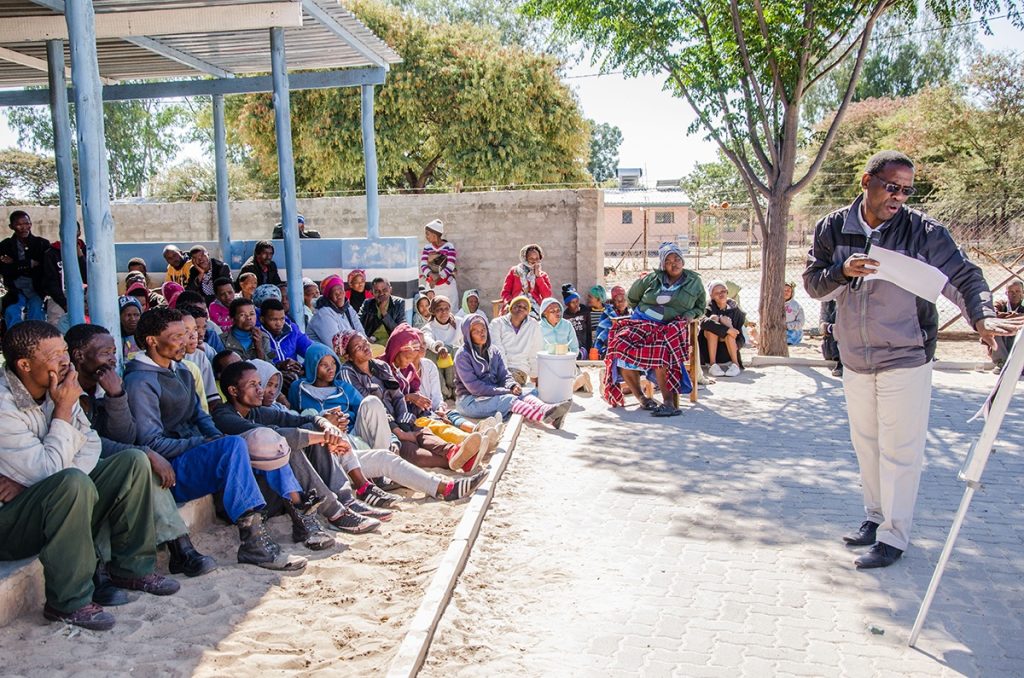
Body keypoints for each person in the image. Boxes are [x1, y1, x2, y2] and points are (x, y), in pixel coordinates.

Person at [803, 149, 1022, 569]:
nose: (899, 197)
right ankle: (875, 518)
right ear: (866, 181)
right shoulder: (832, 227)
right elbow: (813, 284)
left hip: (907, 354)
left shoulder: (924, 232)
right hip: (855, 357)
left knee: (899, 450)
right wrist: (842, 271)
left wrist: (982, 317)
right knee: (866, 445)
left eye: (907, 190)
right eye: (892, 187)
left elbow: (964, 277)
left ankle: (894, 537)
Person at [0, 321, 178, 631]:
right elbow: (49, 472)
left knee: (133, 461)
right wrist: (63, 410)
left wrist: (47, 482)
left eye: (64, 351)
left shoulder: (60, 386)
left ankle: (132, 568)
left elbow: (91, 444)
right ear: (24, 365)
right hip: (10, 526)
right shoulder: (5, 406)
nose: (65, 361)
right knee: (71, 483)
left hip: (50, 499)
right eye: (54, 355)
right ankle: (68, 602)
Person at [123, 307, 307, 571]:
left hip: (193, 453)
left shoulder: (181, 371)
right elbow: (152, 443)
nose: (185, 341)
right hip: (169, 469)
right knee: (233, 445)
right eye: (176, 336)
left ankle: (297, 514)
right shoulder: (140, 382)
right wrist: (206, 443)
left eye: (185, 335)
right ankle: (253, 543)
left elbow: (200, 416)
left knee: (260, 441)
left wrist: (215, 437)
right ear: (152, 341)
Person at [66, 323, 216, 579]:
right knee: (141, 460)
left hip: (107, 462)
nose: (112, 359)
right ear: (79, 356)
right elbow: (85, 443)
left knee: (141, 463)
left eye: (114, 352)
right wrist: (147, 452)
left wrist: (116, 395)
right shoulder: (67, 391)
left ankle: (180, 548)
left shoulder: (108, 385)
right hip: (78, 467)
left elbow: (123, 435)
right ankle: (173, 549)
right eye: (105, 353)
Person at [288, 342, 485, 503]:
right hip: (328, 452)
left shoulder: (343, 387)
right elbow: (297, 421)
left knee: (373, 404)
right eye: (323, 365)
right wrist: (324, 423)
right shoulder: (299, 389)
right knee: (399, 453)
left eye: (332, 363)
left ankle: (446, 483)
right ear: (312, 366)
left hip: (352, 440)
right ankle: (448, 477)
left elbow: (371, 409)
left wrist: (391, 436)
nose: (331, 368)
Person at [214, 360, 389, 533]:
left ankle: (345, 500)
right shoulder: (223, 417)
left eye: (260, 383)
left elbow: (302, 419)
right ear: (233, 391)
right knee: (287, 446)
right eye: (253, 385)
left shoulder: (255, 412)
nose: (260, 389)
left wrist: (327, 426)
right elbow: (276, 436)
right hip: (248, 501)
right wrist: (326, 437)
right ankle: (335, 512)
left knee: (309, 428)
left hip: (279, 492)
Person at [337, 331, 482, 471]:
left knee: (421, 433)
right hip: (378, 427)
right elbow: (369, 404)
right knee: (409, 451)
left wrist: (403, 423)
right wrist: (399, 432)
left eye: (365, 342)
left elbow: (397, 396)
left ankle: (452, 451)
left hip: (397, 419)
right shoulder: (348, 372)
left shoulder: (381, 366)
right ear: (348, 356)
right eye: (358, 347)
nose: (365, 347)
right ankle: (458, 461)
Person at [602, 242, 705, 417]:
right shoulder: (652, 279)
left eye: (677, 259)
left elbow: (700, 308)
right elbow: (632, 298)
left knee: (661, 348)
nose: (673, 264)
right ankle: (642, 398)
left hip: (670, 326)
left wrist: (689, 315)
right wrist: (644, 312)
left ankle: (668, 402)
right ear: (662, 265)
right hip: (642, 322)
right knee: (620, 343)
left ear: (683, 261)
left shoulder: (694, 282)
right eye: (668, 261)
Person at [385, 324, 496, 462]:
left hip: (427, 410)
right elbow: (400, 401)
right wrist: (429, 410)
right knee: (434, 426)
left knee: (448, 414)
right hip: (416, 416)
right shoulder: (394, 368)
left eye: (423, 343)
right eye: (417, 344)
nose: (422, 347)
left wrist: (439, 408)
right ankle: (470, 443)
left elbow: (435, 396)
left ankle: (478, 432)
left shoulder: (426, 366)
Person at [455, 313, 571, 427]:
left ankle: (547, 411)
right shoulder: (463, 356)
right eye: (476, 331)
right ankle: (546, 417)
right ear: (468, 335)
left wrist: (512, 385)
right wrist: (505, 391)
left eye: (483, 329)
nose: (482, 333)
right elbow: (475, 388)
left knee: (530, 392)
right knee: (509, 399)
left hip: (492, 394)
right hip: (470, 401)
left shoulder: (493, 351)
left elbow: (504, 374)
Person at [0, 210, 49, 328]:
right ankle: (16, 338)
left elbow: (44, 267)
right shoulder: (5, 245)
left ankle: (36, 338)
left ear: (31, 224)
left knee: (37, 313)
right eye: (19, 224)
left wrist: (14, 263)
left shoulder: (42, 244)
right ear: (11, 226)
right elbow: (3, 269)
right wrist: (28, 263)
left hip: (37, 289)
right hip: (15, 290)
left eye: (27, 223)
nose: (24, 228)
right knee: (12, 312)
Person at [488, 295, 543, 385]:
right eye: (518, 306)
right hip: (498, 368)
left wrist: (534, 375)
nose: (521, 309)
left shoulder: (533, 325)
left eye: (525, 308)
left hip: (520, 370)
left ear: (528, 312)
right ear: (511, 308)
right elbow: (497, 348)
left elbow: (534, 352)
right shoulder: (497, 323)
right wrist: (504, 372)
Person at [258, 296, 310, 391]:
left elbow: (309, 348)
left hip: (295, 377)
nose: (279, 323)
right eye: (273, 320)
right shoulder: (258, 335)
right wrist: (279, 367)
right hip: (270, 382)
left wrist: (303, 368)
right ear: (262, 319)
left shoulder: (292, 330)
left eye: (282, 319)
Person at [41, 226, 87, 330]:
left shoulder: (87, 250)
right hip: (59, 295)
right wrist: (64, 303)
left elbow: (89, 277)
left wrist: (80, 257)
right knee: (56, 323)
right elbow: (51, 282)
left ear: (79, 233)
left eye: (74, 231)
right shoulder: (51, 253)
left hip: (84, 293)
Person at [699, 280, 746, 377]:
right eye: (717, 293)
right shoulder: (707, 308)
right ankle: (713, 365)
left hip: (728, 353)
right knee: (713, 319)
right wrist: (727, 329)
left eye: (723, 291)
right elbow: (703, 322)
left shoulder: (736, 310)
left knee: (726, 323)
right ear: (711, 296)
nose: (721, 294)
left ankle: (735, 365)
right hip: (708, 353)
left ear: (727, 292)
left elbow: (740, 335)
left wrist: (730, 328)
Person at [422, 295, 462, 400]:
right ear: (433, 312)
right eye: (439, 309)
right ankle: (444, 391)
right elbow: (426, 338)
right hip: (439, 367)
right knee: (428, 353)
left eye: (446, 309)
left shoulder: (459, 323)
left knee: (456, 349)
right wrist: (438, 347)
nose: (443, 312)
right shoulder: (429, 327)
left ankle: (455, 388)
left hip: (453, 368)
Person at [308, 274, 365, 346]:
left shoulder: (348, 308)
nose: (339, 295)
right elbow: (336, 345)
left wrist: (366, 344)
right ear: (328, 296)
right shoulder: (322, 314)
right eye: (335, 293)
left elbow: (361, 333)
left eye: (341, 291)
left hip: (351, 349)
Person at [501, 243, 552, 312]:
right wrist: (510, 303)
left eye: (537, 259)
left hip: (534, 308)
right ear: (525, 259)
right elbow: (505, 292)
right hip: (515, 304)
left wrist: (538, 277)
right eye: (531, 259)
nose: (534, 261)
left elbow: (547, 296)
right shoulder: (515, 271)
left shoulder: (542, 275)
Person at [360, 277, 406, 346]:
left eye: (384, 290)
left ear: (390, 289)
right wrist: (365, 337)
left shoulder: (399, 303)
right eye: (377, 291)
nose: (381, 293)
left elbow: (400, 331)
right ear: (372, 292)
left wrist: (384, 312)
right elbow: (357, 324)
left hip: (391, 342)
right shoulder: (367, 304)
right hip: (371, 342)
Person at [420, 219, 458, 301]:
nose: (426, 236)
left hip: (447, 285)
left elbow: (451, 265)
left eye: (427, 234)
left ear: (434, 235)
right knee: (431, 306)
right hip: (431, 285)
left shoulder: (449, 246)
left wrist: (438, 277)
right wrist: (431, 275)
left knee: (450, 306)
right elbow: (423, 265)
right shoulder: (427, 248)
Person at [991, 280, 1024, 370]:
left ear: (1023, 292)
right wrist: (1017, 317)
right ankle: (1002, 362)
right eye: (1011, 291)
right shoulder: (1000, 304)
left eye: (1017, 291)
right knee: (994, 328)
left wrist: (1005, 318)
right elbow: (993, 314)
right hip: (1003, 340)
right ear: (1006, 293)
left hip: (1018, 339)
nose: (1014, 294)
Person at [594, 286, 631, 358]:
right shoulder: (608, 313)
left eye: (624, 300)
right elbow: (602, 331)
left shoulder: (631, 312)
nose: (621, 303)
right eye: (618, 301)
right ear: (614, 302)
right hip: (610, 341)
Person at [560, 285, 591, 359]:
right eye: (573, 302)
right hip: (571, 349)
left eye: (577, 301)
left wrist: (589, 349)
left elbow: (589, 331)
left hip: (584, 348)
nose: (576, 304)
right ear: (567, 304)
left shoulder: (584, 311)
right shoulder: (564, 316)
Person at [820, 300, 843, 377]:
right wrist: (829, 327)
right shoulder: (827, 301)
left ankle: (842, 363)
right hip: (832, 340)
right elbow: (821, 325)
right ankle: (840, 361)